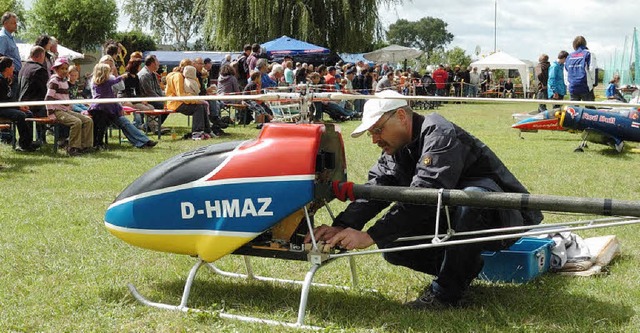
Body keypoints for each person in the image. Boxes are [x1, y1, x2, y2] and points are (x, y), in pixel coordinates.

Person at [306, 90, 543, 308]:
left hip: (504, 218)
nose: (374, 140)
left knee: (470, 199)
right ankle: (463, 268)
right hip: (452, 214)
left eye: (377, 130)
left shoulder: (439, 133)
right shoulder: (397, 148)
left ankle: (445, 293)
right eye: (371, 133)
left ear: (401, 116)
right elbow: (378, 189)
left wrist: (369, 236)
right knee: (393, 247)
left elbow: (425, 196)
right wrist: (342, 225)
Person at [45, 58, 94, 156]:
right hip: (57, 111)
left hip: (66, 109)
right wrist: (50, 113)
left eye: (66, 69)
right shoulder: (54, 81)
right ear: (56, 69)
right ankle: (72, 148)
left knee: (88, 120)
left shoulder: (64, 80)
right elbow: (48, 98)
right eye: (62, 68)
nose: (64, 71)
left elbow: (66, 97)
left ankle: (85, 146)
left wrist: (70, 106)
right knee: (76, 122)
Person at [165, 59, 212, 140]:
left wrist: (194, 79)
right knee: (198, 107)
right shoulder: (178, 76)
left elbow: (198, 88)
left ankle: (207, 131)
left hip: (182, 101)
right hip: (175, 103)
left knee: (202, 105)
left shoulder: (186, 76)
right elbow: (181, 95)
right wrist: (195, 100)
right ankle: (197, 133)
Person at [0, 56, 39, 152]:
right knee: (20, 115)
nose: (14, 68)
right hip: (1, 108)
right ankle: (23, 145)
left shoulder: (7, 80)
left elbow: (10, 98)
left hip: (7, 107)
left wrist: (19, 105)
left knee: (29, 113)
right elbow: (2, 101)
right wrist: (18, 107)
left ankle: (28, 142)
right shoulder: (0, 81)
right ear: (7, 68)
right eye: (12, 66)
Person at [17, 45, 49, 143]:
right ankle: (42, 138)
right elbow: (44, 90)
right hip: (34, 105)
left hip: (21, 103)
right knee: (51, 109)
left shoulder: (23, 68)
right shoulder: (39, 70)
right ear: (40, 56)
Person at [565, 36, 596, 102]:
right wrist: (593, 83)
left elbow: (565, 72)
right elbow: (592, 69)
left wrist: (568, 85)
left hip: (572, 86)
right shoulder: (589, 54)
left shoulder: (569, 56)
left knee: (573, 110)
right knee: (590, 109)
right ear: (585, 43)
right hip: (585, 86)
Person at [0, 12, 21, 99]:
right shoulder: (3, 37)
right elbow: (0, 56)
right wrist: (7, 74)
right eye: (13, 23)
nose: (16, 25)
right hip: (9, 76)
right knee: (11, 102)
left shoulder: (9, 37)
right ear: (5, 23)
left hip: (13, 74)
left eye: (16, 23)